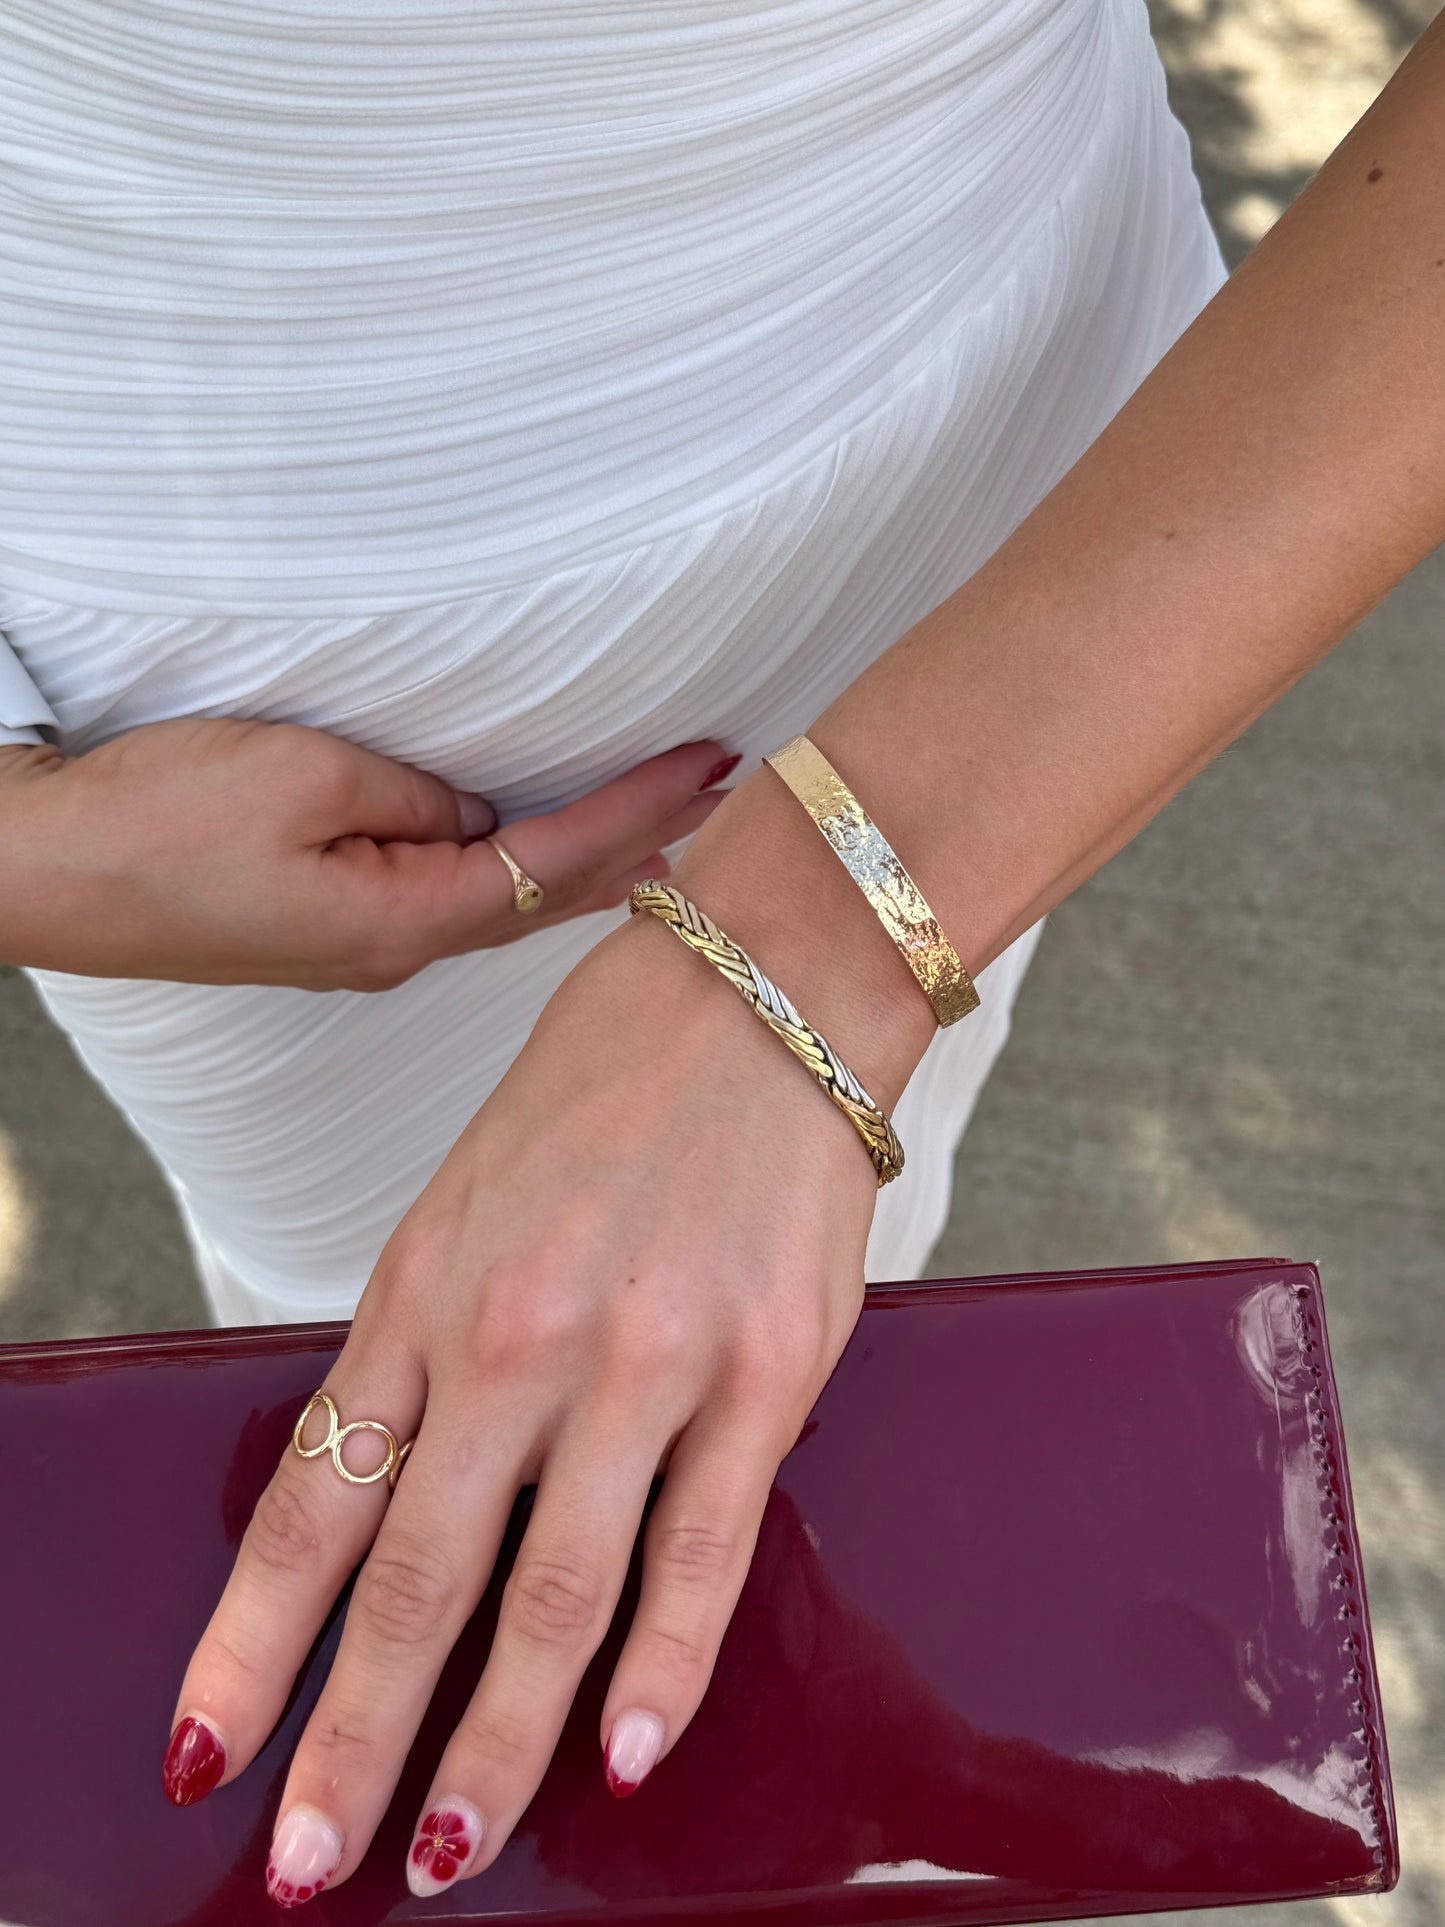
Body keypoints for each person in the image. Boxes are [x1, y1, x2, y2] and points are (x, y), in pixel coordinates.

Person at [2, 0, 1441, 1908]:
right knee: (361, 1333)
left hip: (989, 532)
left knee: (812, 1267)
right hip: (187, 696)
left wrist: (822, 951)